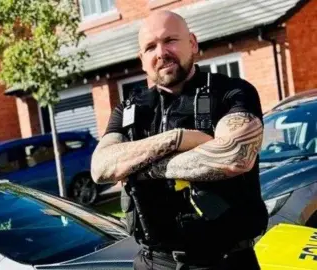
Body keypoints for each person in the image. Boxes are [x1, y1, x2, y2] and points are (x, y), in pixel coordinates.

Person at [90, 10, 269, 270]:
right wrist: (177, 139)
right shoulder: (130, 109)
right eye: (150, 47)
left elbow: (234, 157)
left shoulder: (231, 92)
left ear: (193, 43)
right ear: (142, 60)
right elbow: (100, 168)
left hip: (224, 261)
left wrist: (139, 169)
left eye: (170, 40)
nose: (161, 52)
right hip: (153, 262)